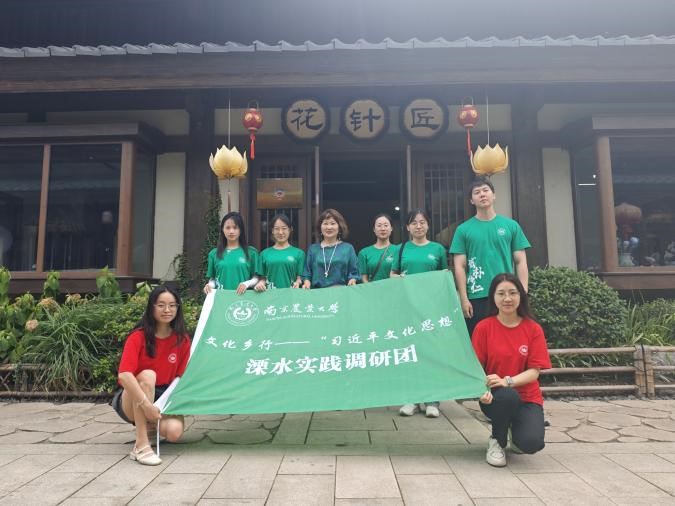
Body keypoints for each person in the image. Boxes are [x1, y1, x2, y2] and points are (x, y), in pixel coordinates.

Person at [472, 273, 551, 467]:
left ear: (521, 296)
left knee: (530, 443)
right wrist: (481, 391)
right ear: (493, 297)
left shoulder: (533, 329)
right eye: (501, 293)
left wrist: (508, 381)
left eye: (512, 293)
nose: (507, 298)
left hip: (527, 397)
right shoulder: (483, 328)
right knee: (508, 396)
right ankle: (497, 441)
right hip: (495, 397)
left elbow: (534, 371)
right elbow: (476, 368)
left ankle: (515, 431)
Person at [112, 285, 191, 466]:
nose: (167, 310)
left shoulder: (182, 340)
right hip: (133, 397)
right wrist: (147, 405)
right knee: (148, 376)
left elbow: (181, 378)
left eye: (172, 305)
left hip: (162, 398)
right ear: (151, 307)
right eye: (161, 305)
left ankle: (150, 428)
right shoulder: (138, 337)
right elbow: (124, 375)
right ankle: (140, 446)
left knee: (174, 432)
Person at [450, 177, 530, 337]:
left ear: (494, 195)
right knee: (478, 341)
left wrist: (522, 291)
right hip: (476, 294)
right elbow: (459, 266)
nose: (482, 194)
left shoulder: (511, 226)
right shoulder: (463, 230)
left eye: (486, 190)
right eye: (477, 192)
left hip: (506, 293)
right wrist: (463, 298)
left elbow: (520, 261)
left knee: (507, 339)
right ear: (471, 200)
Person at [391, 208, 447, 418]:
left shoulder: (437, 249)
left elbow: (444, 276)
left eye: (422, 222)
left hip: (431, 308)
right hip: (408, 307)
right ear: (407, 227)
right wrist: (400, 280)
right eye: (414, 222)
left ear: (428, 225)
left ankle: (432, 401)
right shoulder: (401, 249)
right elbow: (392, 274)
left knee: (431, 353)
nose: (418, 226)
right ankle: (412, 399)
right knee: (410, 351)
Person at [302, 208, 359, 289]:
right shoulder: (313, 249)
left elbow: (354, 272)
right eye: (325, 223)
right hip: (317, 293)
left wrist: (353, 280)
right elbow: (307, 274)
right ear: (320, 227)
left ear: (339, 227)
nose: (329, 227)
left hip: (341, 292)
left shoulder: (348, 248)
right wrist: (306, 282)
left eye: (333, 223)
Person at [204, 211, 259, 295]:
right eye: (227, 228)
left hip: (243, 298)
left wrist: (246, 284)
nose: (231, 231)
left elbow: (256, 278)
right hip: (221, 298)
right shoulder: (214, 253)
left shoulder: (251, 252)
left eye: (235, 227)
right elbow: (213, 279)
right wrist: (209, 285)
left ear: (241, 230)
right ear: (222, 230)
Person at [254, 213, 305, 290]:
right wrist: (261, 283)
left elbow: (300, 278)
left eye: (284, 228)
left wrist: (298, 283)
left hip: (292, 294)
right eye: (277, 229)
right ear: (272, 231)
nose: (280, 232)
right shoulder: (264, 254)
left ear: (290, 229)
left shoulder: (299, 253)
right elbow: (262, 278)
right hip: (270, 295)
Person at [358, 213, 400, 283]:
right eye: (379, 225)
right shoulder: (364, 253)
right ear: (374, 229)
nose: (383, 229)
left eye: (386, 225)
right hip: (372, 289)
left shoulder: (398, 250)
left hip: (394, 288)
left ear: (391, 228)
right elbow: (363, 278)